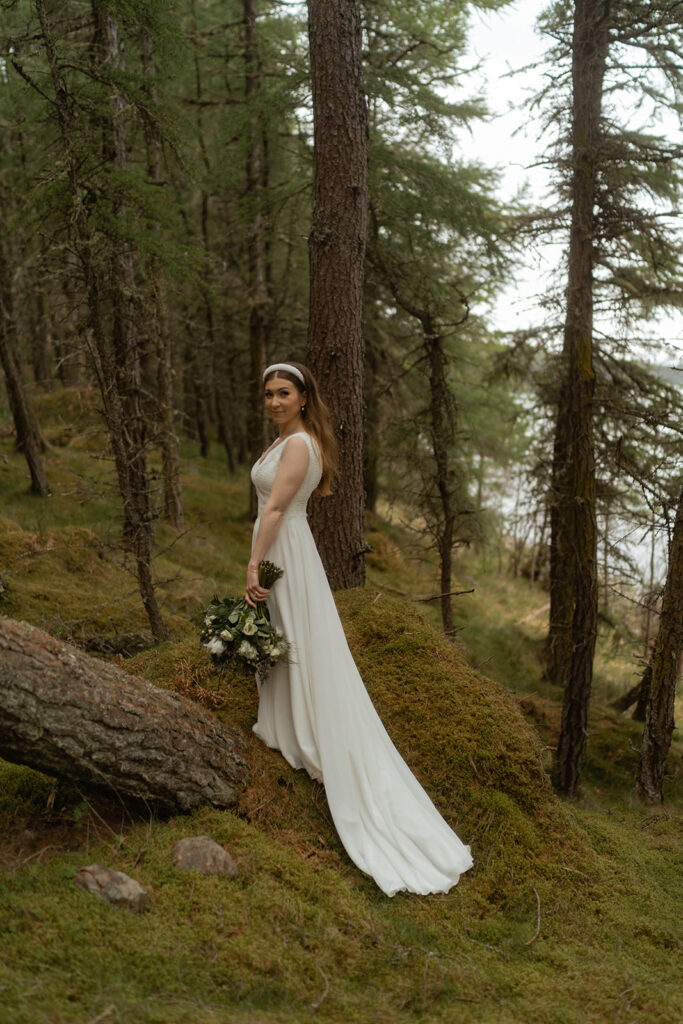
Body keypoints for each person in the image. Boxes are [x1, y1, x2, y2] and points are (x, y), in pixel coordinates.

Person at [246, 360, 473, 896]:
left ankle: (310, 731)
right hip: (283, 547)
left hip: (285, 549)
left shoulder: (298, 444)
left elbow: (275, 507)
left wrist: (254, 563)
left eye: (284, 394)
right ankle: (284, 718)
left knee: (297, 640)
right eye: (269, 395)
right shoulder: (288, 440)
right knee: (287, 638)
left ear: (303, 398)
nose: (275, 402)